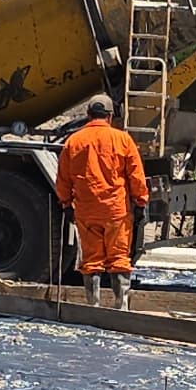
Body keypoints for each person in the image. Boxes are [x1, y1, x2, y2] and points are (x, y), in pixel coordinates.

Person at [55, 94, 150, 307]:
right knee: (118, 258)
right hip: (116, 211)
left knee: (91, 260)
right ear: (110, 116)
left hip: (86, 212)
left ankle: (93, 305)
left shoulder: (73, 141)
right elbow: (136, 175)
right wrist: (141, 201)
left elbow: (63, 178)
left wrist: (66, 203)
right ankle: (121, 306)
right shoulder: (122, 139)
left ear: (88, 115)